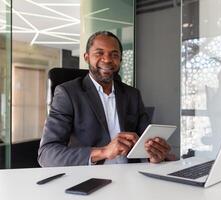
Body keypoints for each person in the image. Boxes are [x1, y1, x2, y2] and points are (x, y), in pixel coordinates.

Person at [38, 31, 171, 167]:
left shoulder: (132, 95)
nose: (107, 59)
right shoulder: (68, 93)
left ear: (120, 60)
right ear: (86, 57)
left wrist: (153, 155)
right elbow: (47, 154)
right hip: (89, 179)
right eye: (99, 53)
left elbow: (145, 143)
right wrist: (104, 151)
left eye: (114, 55)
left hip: (131, 176)